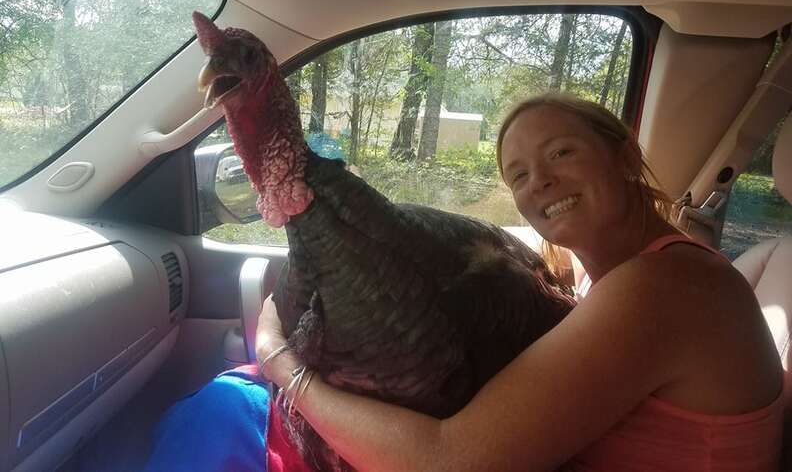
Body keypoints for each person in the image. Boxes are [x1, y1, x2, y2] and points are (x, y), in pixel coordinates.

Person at [255, 93, 784, 471]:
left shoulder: (664, 287)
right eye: (519, 175)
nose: (541, 182)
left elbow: (445, 463)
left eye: (560, 153)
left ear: (621, 153)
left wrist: (283, 367)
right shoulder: (617, 277)